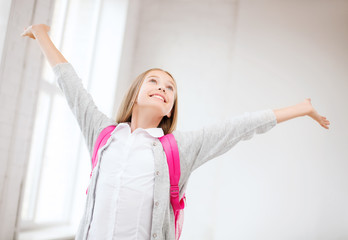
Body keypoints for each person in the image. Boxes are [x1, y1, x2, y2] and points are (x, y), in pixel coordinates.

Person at [21, 24, 330, 240]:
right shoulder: (103, 134)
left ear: (169, 109)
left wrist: (301, 108)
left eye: (170, 88)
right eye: (154, 81)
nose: (162, 88)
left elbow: (240, 127)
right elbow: (72, 87)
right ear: (136, 92)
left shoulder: (178, 148)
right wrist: (41, 34)